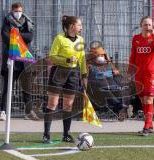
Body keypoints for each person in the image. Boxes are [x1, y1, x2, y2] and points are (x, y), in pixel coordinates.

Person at [43, 15, 87, 144]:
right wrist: (66, 60)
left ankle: (66, 134)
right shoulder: (59, 38)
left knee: (68, 105)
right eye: (79, 25)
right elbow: (52, 56)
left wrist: (84, 75)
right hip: (59, 72)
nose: (81, 27)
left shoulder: (80, 40)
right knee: (52, 103)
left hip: (73, 74)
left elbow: (82, 59)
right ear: (72, 26)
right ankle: (46, 135)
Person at [128, 16, 154, 136]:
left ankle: (146, 127)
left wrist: (153, 36)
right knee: (143, 100)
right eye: (145, 25)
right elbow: (133, 56)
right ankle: (150, 125)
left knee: (149, 99)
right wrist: (130, 71)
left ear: (152, 26)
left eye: (149, 25)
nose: (147, 27)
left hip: (151, 74)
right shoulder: (136, 38)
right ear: (141, 25)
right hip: (139, 74)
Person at [0, 2, 34, 121]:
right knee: (7, 88)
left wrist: (16, 34)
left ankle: (28, 112)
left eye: (20, 11)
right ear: (12, 11)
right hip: (11, 59)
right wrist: (19, 38)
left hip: (24, 60)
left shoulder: (27, 21)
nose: (18, 13)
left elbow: (30, 37)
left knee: (26, 87)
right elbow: (5, 36)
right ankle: (3, 111)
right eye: (16, 11)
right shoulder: (6, 21)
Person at [86, 45, 129, 121]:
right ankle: (117, 109)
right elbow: (86, 78)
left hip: (112, 86)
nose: (101, 57)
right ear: (93, 57)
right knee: (107, 92)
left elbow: (117, 75)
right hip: (97, 88)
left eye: (102, 55)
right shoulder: (89, 66)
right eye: (99, 55)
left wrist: (115, 73)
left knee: (120, 90)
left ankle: (120, 110)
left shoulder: (108, 64)